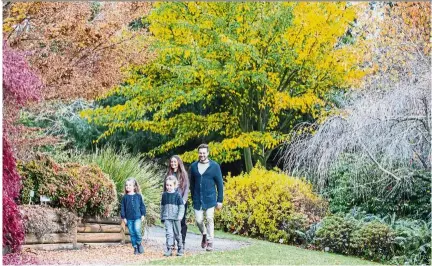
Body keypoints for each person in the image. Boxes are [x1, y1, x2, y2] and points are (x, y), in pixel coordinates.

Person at [189, 143, 224, 251]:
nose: (202, 155)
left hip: (210, 198)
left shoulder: (215, 166)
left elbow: (220, 184)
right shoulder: (193, 166)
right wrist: (193, 196)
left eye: (204, 153)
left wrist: (220, 200)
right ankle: (204, 233)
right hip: (197, 199)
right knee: (199, 221)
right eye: (200, 153)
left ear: (208, 153)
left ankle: (210, 242)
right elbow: (192, 184)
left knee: (209, 218)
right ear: (198, 153)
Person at [163, 155, 189, 248]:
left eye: (175, 162)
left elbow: (186, 188)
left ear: (178, 162)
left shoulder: (183, 174)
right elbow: (165, 188)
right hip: (171, 201)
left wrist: (184, 200)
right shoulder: (168, 174)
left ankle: (182, 242)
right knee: (171, 220)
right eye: (172, 162)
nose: (173, 163)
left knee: (181, 221)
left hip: (181, 201)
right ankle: (172, 242)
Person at [120, 177, 146, 255]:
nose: (128, 186)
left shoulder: (138, 196)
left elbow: (142, 206)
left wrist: (143, 214)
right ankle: (135, 248)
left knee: (137, 230)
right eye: (126, 185)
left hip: (137, 217)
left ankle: (139, 243)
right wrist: (123, 217)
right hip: (129, 218)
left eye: (130, 185)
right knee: (132, 233)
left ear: (134, 186)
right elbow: (122, 208)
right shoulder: (125, 197)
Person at [161, 175, 185, 256]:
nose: (168, 187)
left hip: (176, 218)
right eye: (167, 185)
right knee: (169, 234)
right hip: (167, 217)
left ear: (175, 185)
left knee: (177, 233)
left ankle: (180, 248)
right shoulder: (164, 195)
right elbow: (162, 207)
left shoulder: (177, 195)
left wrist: (179, 217)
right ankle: (169, 249)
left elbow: (181, 207)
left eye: (170, 185)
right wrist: (162, 217)